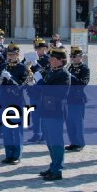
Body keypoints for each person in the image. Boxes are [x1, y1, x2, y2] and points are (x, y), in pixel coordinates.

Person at [35, 47, 71, 181]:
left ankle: (58, 169)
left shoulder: (63, 74)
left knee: (56, 140)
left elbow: (56, 92)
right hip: (46, 108)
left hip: (56, 109)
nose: (50, 60)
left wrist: (40, 83)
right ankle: (53, 166)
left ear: (60, 61)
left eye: (53, 59)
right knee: (50, 140)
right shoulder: (52, 71)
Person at [0, 42, 27, 165]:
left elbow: (22, 87)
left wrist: (11, 79)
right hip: (5, 101)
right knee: (7, 130)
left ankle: (17, 155)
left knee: (16, 130)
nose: (11, 56)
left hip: (17, 102)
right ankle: (8, 154)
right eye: (9, 54)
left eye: (14, 54)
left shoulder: (22, 67)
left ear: (18, 54)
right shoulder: (4, 65)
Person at [65, 47, 90, 152]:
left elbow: (82, 83)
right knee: (69, 122)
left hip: (78, 98)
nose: (72, 58)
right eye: (71, 56)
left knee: (77, 122)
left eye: (74, 56)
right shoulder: (69, 67)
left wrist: (71, 76)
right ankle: (73, 142)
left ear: (80, 57)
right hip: (68, 98)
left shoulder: (84, 68)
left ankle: (80, 142)